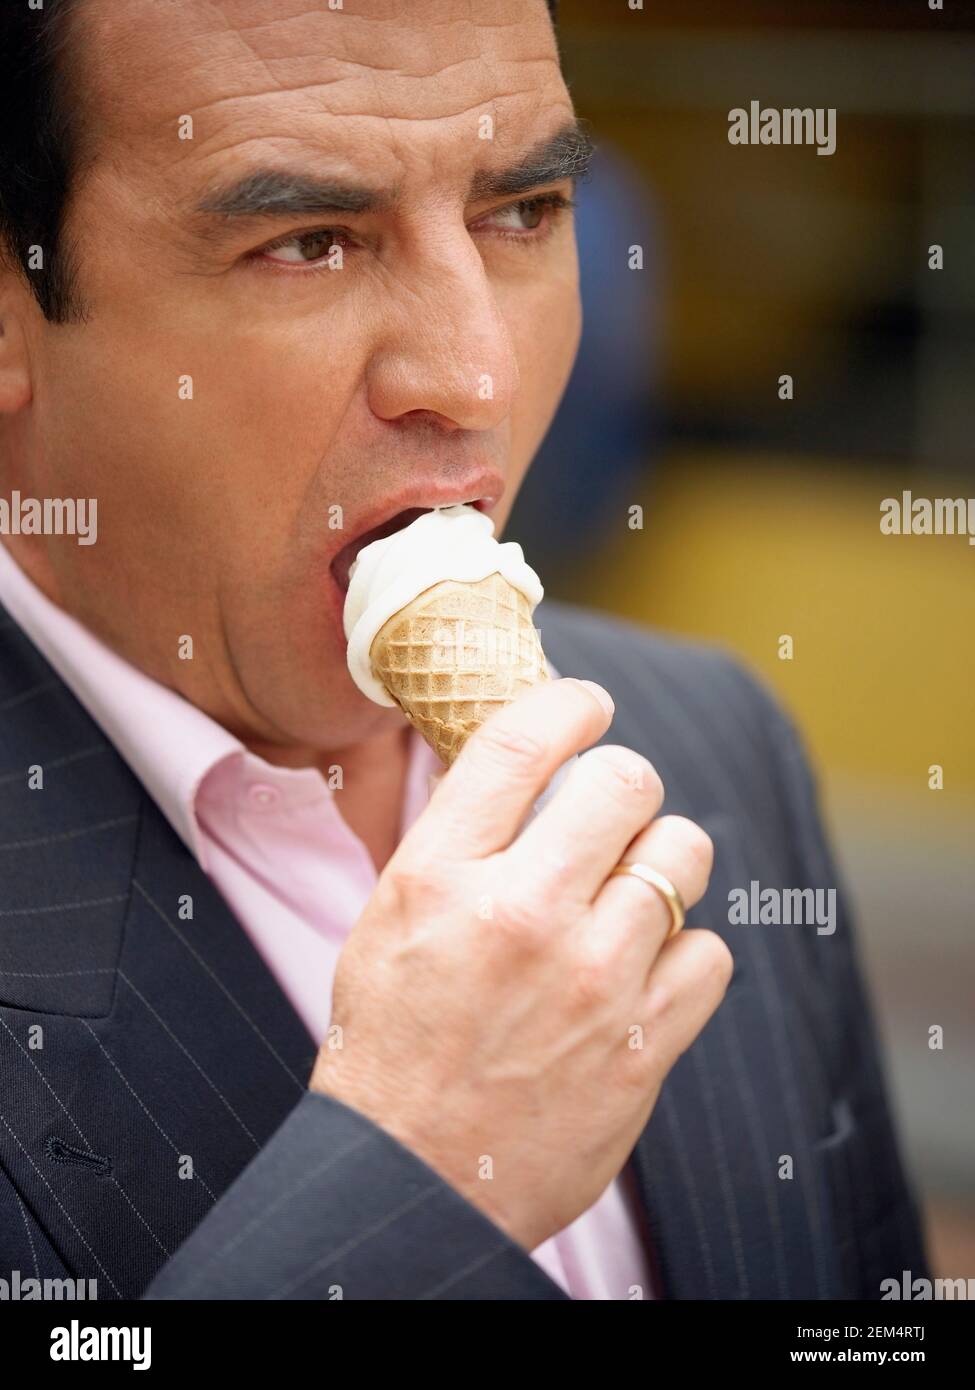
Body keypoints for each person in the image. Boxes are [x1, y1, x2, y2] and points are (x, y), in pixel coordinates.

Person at [0, 0, 928, 1300]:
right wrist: (410, 1189)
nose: (475, 371)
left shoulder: (718, 740)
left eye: (524, 214)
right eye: (309, 242)